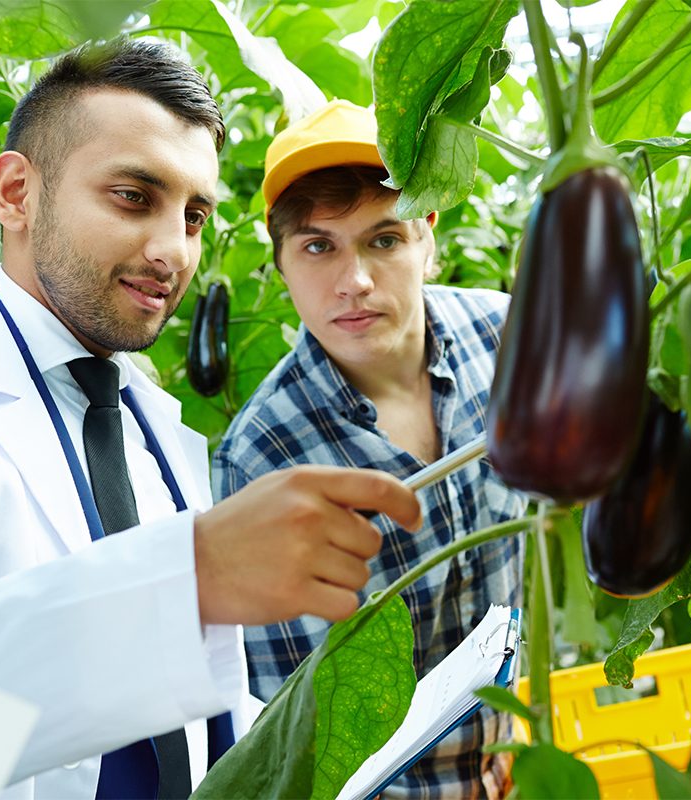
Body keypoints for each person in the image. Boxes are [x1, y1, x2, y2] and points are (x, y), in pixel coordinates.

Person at [0, 43, 422, 800]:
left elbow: (187, 718)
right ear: (17, 194)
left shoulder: (148, 422)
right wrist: (194, 579)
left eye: (193, 214)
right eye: (131, 196)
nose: (171, 251)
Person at [213, 99, 527, 799]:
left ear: (427, 238)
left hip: (519, 762)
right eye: (318, 246)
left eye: (383, 239)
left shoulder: (504, 341)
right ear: (281, 266)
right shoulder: (264, 454)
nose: (353, 282)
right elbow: (295, 730)